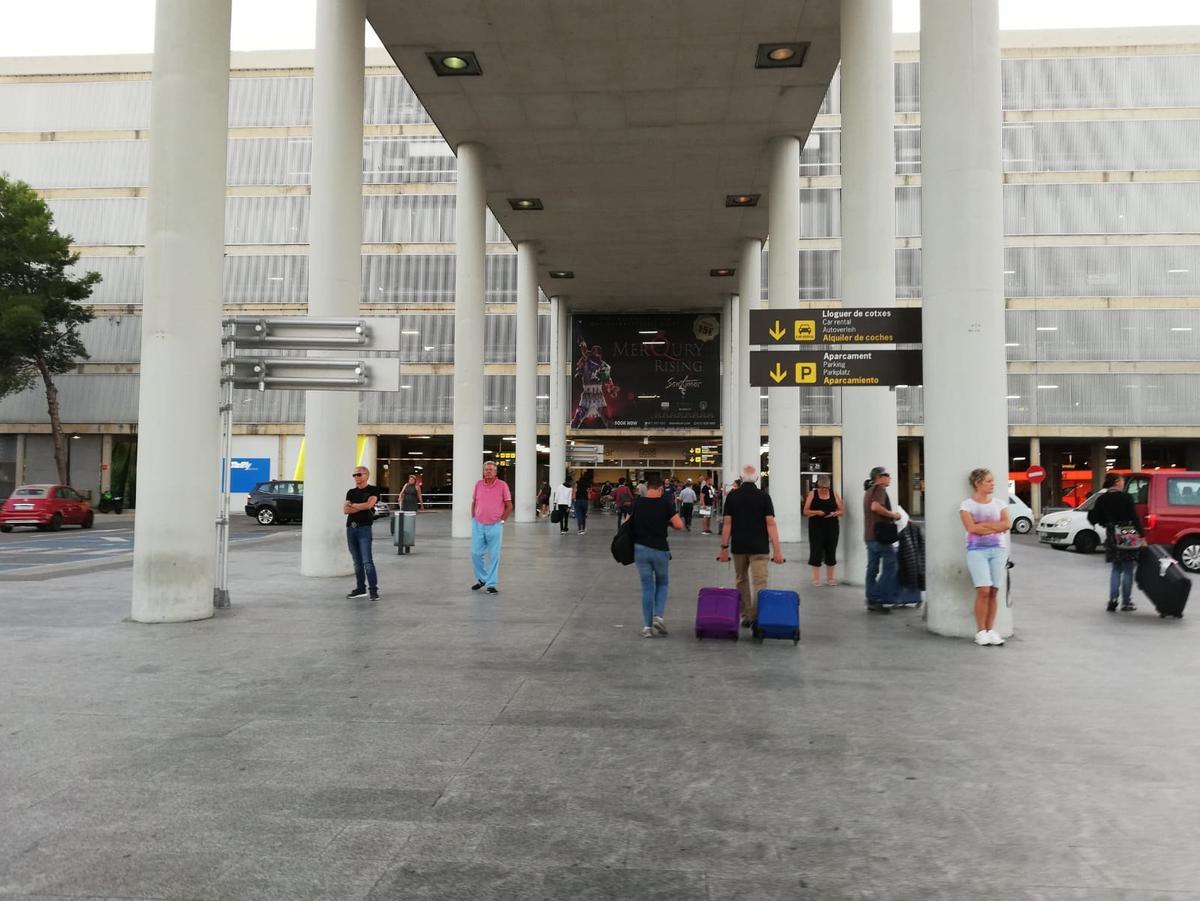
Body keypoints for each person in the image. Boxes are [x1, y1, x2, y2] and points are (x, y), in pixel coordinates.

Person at [717, 464, 785, 629]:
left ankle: (746, 615)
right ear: (756, 478)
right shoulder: (764, 497)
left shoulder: (732, 497)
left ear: (740, 478)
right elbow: (771, 525)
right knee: (760, 582)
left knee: (741, 579)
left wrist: (724, 548)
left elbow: (727, 525)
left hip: (739, 546)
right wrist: (777, 551)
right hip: (760, 547)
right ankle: (757, 616)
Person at [959, 467, 1012, 646]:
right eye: (988, 481)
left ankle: (990, 630)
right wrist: (995, 526)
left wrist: (984, 526)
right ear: (978, 484)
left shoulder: (999, 503)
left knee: (994, 591)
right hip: (976, 551)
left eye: (992, 481)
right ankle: (980, 631)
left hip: (998, 550)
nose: (992, 484)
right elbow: (971, 528)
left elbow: (1007, 524)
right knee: (983, 590)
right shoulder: (967, 505)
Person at [631, 475, 685, 638]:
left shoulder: (638, 503)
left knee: (647, 587)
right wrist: (666, 521)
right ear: (661, 489)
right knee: (662, 583)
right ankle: (658, 616)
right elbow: (678, 525)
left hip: (640, 549)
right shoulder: (664, 503)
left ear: (647, 489)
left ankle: (647, 628)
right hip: (659, 549)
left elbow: (627, 523)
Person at [1088, 472, 1144, 613]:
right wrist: (1142, 535)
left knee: (1116, 568)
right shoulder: (1126, 497)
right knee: (1128, 568)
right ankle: (1126, 602)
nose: (1123, 483)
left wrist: (1107, 522)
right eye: (1122, 481)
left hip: (1112, 533)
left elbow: (1095, 518)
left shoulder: (1102, 499)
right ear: (1117, 481)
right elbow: (1134, 517)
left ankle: (1113, 599)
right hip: (1126, 531)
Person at [863, 466, 902, 613]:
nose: (890, 477)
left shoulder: (869, 490)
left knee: (872, 569)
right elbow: (875, 507)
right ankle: (877, 597)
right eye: (888, 475)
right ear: (880, 477)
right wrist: (893, 515)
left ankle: (871, 599)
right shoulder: (879, 489)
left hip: (869, 535)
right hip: (880, 536)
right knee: (891, 566)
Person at [470, 462, 512, 594]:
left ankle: (491, 584)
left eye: (491, 470)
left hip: (494, 525)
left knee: (494, 556)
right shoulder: (478, 484)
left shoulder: (502, 485)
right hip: (478, 524)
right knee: (475, 553)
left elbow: (509, 506)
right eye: (486, 470)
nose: (488, 472)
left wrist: (502, 521)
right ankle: (482, 579)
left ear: (495, 472)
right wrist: (473, 517)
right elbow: (474, 502)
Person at [344, 466, 380, 601]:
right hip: (351, 529)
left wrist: (353, 505)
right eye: (354, 475)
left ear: (366, 475)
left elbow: (369, 505)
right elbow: (345, 510)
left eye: (358, 474)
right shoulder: (351, 492)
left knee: (367, 561)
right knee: (356, 562)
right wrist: (359, 506)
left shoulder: (373, 490)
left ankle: (373, 590)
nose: (356, 477)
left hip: (364, 528)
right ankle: (360, 589)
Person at [803, 474, 844, 587]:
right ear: (818, 486)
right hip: (816, 527)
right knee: (816, 550)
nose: (824, 490)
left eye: (826, 488)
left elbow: (842, 510)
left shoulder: (834, 494)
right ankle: (816, 579)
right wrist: (816, 512)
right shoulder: (812, 494)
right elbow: (805, 511)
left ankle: (830, 578)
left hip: (832, 526)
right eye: (822, 488)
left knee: (831, 550)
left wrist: (835, 513)